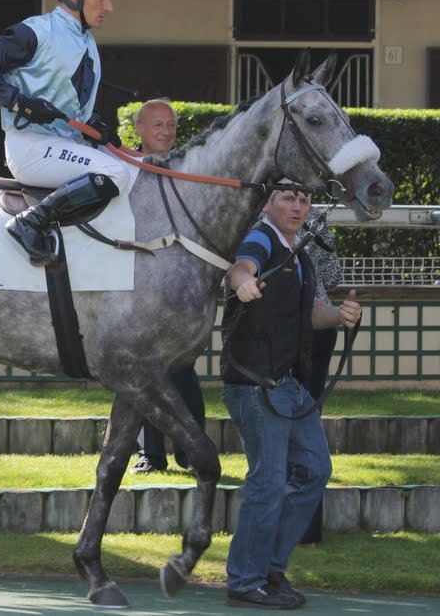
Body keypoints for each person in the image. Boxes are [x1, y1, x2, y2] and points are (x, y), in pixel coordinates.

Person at [220, 181, 362, 610]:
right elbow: (240, 267)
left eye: (304, 200)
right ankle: (246, 580)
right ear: (269, 203)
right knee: (268, 481)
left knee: (315, 469)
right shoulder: (262, 237)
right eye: (288, 198)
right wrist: (243, 282)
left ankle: (269, 569)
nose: (297, 206)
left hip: (288, 384)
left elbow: (311, 313)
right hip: (255, 383)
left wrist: (339, 315)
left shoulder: (299, 252)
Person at [0, 0, 133, 266]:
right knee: (115, 173)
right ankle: (31, 221)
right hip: (32, 148)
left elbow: (72, 102)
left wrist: (94, 124)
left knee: (134, 170)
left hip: (65, 145)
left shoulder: (86, 40)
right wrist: (20, 103)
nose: (108, 7)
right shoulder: (35, 31)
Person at [127, 100, 206, 475]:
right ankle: (151, 454)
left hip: (179, 288)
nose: (166, 131)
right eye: (157, 124)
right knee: (143, 369)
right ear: (139, 129)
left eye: (171, 125)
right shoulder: (123, 168)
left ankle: (192, 451)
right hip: (135, 286)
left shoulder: (188, 171)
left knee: (181, 369)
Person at [298, 206, 342, 544]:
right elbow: (332, 276)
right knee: (309, 419)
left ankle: (298, 525)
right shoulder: (315, 218)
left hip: (291, 328)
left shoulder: (260, 217)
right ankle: (309, 527)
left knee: (285, 425)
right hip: (322, 324)